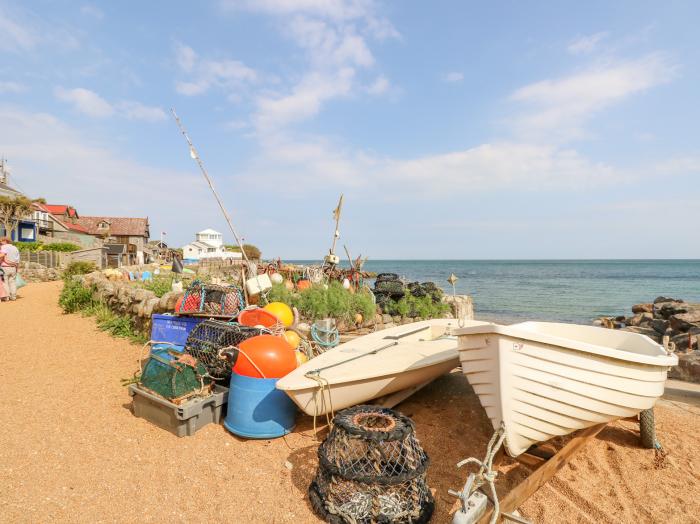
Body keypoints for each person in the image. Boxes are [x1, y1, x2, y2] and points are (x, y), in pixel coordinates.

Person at [0, 236, 20, 301]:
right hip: (13, 267)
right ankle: (13, 296)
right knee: (12, 282)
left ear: (5, 241)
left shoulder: (3, 247)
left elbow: (2, 257)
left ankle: (7, 297)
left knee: (5, 282)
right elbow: (17, 260)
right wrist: (17, 268)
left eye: (1, 241)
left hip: (5, 268)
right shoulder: (15, 248)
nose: (1, 243)